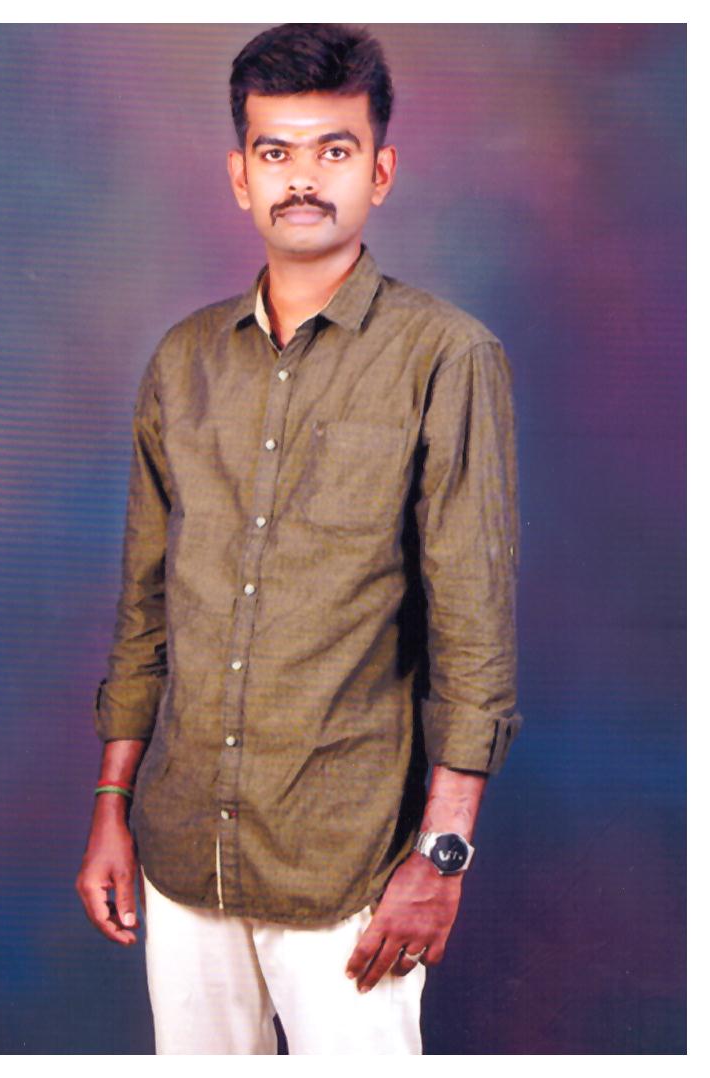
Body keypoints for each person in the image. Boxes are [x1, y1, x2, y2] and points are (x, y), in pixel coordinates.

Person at [76, 22, 523, 1055]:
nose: (303, 179)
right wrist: (111, 806)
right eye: (276, 151)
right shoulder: (182, 362)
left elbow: (473, 631)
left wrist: (441, 856)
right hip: (182, 851)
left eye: (334, 149)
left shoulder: (446, 357)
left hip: (350, 867)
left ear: (381, 171)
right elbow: (145, 609)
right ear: (241, 176)